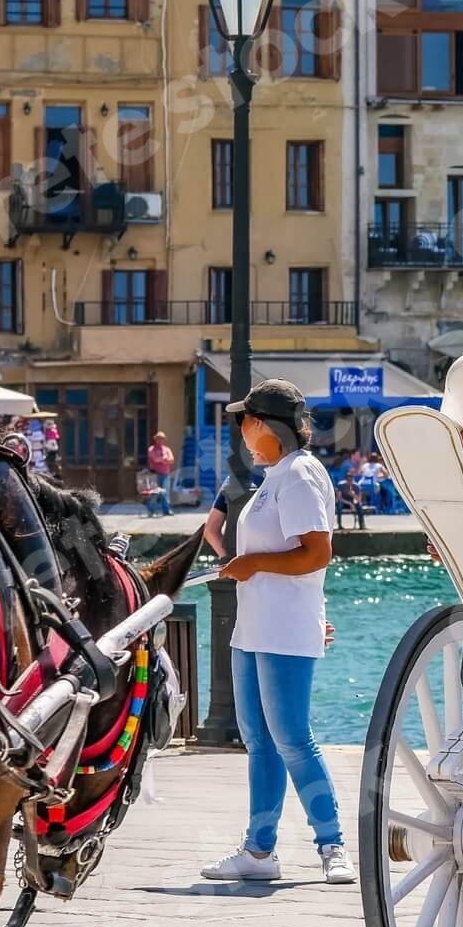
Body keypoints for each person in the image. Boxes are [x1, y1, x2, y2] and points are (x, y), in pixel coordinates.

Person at [200, 379, 356, 885]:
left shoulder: (300, 474)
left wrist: (253, 563)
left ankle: (332, 845)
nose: (241, 433)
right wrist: (249, 566)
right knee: (260, 741)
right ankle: (259, 852)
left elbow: (317, 553)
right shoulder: (276, 476)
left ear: (263, 424)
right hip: (253, 630)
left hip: (284, 631)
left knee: (292, 738)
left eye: (244, 422)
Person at [146, 432, 175, 516]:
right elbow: (155, 459)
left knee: (165, 493)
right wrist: (165, 459)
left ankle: (166, 510)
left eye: (162, 438)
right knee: (154, 493)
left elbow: (172, 459)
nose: (160, 440)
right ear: (155, 439)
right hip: (155, 474)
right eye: (159, 438)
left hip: (165, 474)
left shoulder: (167, 449)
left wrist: (163, 460)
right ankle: (151, 511)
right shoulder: (151, 449)